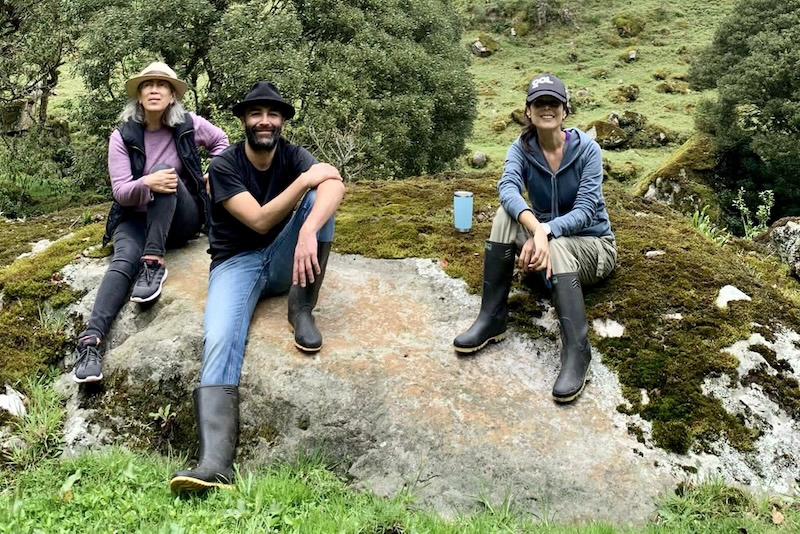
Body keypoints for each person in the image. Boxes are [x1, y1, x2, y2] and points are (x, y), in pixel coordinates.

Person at [169, 81, 345, 493]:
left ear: (282, 120)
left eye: (273, 113)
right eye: (256, 113)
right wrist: (305, 183)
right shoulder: (226, 166)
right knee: (219, 337)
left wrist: (308, 232)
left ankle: (301, 308)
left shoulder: (292, 154)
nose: (264, 121)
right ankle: (215, 464)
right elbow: (261, 220)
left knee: (323, 201)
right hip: (236, 263)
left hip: (287, 260)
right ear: (245, 121)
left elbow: (334, 183)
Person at [453, 73, 617, 403]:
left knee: (556, 247)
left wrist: (543, 232)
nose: (546, 109)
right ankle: (492, 318)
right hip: (547, 246)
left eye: (553, 103)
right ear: (528, 111)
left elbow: (586, 210)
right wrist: (534, 227)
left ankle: (577, 352)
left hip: (593, 247)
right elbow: (507, 189)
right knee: (504, 215)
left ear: (565, 110)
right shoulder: (522, 149)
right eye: (539, 103)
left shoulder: (588, 151)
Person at [71, 62, 229, 384]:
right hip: (134, 218)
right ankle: (91, 341)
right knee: (122, 260)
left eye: (162, 85)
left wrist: (216, 173)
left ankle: (153, 262)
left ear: (172, 96)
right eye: (148, 85)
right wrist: (148, 183)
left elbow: (222, 142)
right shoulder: (122, 135)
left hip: (181, 220)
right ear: (139, 96)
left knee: (165, 174)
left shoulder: (188, 124)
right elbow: (121, 192)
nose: (154, 89)